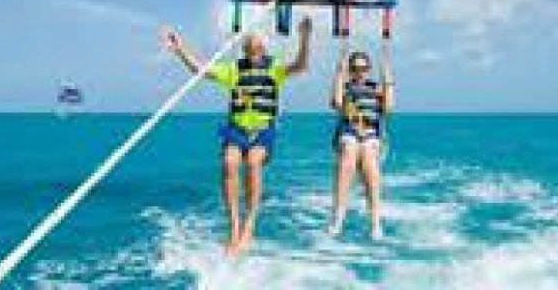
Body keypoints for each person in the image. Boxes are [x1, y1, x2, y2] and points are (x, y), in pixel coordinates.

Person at [161, 17, 312, 255]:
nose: (254, 50)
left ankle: (249, 223)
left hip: (263, 130)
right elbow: (199, 69)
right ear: (244, 49)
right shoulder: (234, 69)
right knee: (229, 163)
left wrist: (304, 37)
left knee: (253, 163)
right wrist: (180, 48)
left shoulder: (274, 69)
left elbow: (301, 66)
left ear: (264, 49)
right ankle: (234, 226)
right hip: (236, 129)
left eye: (258, 47)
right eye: (250, 47)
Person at [329, 41, 394, 240]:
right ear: (350, 70)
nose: (360, 73)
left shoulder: (377, 89)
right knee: (349, 151)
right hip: (348, 133)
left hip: (371, 136)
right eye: (355, 69)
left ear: (369, 70)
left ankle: (375, 223)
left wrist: (387, 76)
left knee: (368, 156)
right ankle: (338, 219)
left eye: (364, 69)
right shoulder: (346, 88)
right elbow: (337, 102)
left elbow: (388, 109)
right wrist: (339, 72)